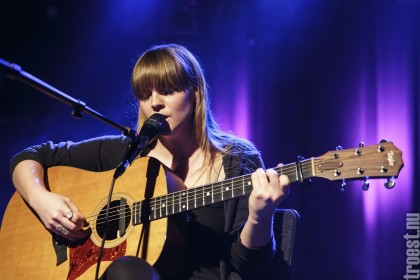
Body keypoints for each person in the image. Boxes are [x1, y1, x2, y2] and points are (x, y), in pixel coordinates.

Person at [9, 44, 290, 279]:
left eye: (166, 90)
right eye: (145, 94)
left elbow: (248, 266)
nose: (154, 103)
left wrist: (260, 215)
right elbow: (30, 157)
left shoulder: (237, 158)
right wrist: (41, 200)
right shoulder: (126, 153)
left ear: (195, 93)